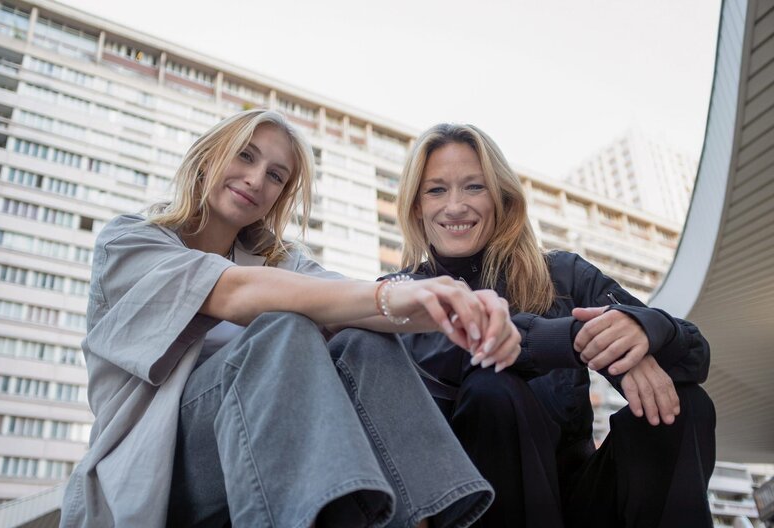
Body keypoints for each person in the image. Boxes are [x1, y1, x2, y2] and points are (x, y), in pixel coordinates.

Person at [60, 110, 526, 527]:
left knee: (361, 337)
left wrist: (466, 307)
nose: (256, 179)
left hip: (257, 451)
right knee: (282, 327)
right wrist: (393, 294)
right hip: (154, 470)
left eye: (276, 175)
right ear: (207, 158)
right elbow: (236, 292)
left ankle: (423, 518)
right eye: (245, 156)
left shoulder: (281, 261)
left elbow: (360, 304)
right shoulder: (132, 242)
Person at [390, 123, 716, 528]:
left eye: (474, 187)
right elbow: (469, 345)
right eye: (436, 190)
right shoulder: (398, 294)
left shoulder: (564, 274)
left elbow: (693, 357)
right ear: (416, 205)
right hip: (477, 504)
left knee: (682, 403)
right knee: (491, 387)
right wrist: (574, 340)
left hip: (582, 501)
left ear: (502, 198)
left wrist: (645, 330)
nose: (455, 206)